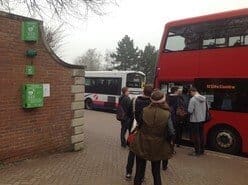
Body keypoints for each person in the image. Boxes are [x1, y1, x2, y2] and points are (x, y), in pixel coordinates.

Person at [130, 90, 173, 185]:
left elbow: (139, 124)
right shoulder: (167, 114)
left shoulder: (145, 110)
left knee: (139, 171)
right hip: (158, 145)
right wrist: (165, 140)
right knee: (156, 172)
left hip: (142, 142)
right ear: (163, 100)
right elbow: (171, 132)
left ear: (151, 100)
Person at [125, 85, 153, 180]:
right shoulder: (152, 104)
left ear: (143, 91)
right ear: (151, 93)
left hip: (134, 129)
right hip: (145, 131)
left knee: (132, 152)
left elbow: (129, 113)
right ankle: (141, 175)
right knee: (143, 154)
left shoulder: (134, 100)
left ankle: (128, 172)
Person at [188, 87, 207, 156]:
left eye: (190, 93)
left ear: (192, 92)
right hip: (202, 119)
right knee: (201, 135)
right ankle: (202, 150)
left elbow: (190, 110)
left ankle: (197, 151)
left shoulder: (193, 99)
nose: (190, 94)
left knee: (196, 136)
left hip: (195, 120)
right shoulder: (204, 98)